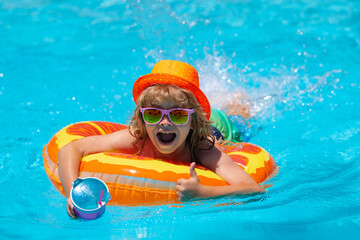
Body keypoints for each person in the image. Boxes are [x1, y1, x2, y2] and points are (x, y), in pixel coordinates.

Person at [58, 60, 263, 218]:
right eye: (154, 114)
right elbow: (71, 149)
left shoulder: (201, 148)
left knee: (242, 120)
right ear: (142, 118)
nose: (165, 122)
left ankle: (240, 103)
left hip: (219, 129)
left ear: (192, 121)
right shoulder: (137, 139)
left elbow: (254, 189)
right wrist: (73, 191)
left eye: (178, 114)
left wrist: (203, 193)